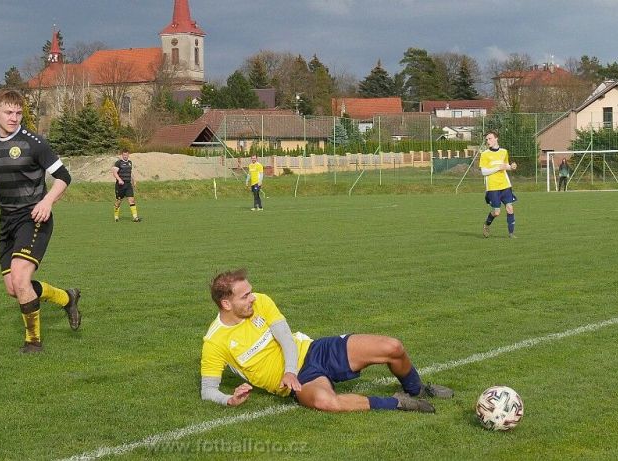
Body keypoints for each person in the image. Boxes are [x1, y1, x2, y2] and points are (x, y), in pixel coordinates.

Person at [200, 269, 453, 413]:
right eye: (245, 296)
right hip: (301, 382)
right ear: (226, 303)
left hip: (314, 350)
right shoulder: (215, 342)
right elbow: (208, 390)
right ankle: (399, 402)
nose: (252, 298)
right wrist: (229, 400)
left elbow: (286, 338)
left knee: (392, 347)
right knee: (326, 402)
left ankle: (416, 388)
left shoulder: (261, 301)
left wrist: (289, 369)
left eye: (251, 292)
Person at [0, 89, 81, 353]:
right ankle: (67, 297)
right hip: (7, 222)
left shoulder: (34, 143)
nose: (14, 118)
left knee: (20, 278)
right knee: (14, 288)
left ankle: (33, 342)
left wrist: (47, 202)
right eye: (8, 112)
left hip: (34, 217)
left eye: (18, 113)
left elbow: (64, 176)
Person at [480, 130, 518, 239]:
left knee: (510, 208)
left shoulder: (504, 152)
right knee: (496, 212)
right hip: (492, 187)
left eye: (490, 138)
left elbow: (506, 166)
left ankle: (511, 233)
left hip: (505, 185)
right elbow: (484, 172)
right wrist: (497, 168)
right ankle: (486, 225)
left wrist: (512, 167)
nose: (488, 141)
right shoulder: (485, 154)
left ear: (496, 138)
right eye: (486, 139)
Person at [112, 149, 141, 222]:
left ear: (128, 155)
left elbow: (130, 173)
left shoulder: (130, 163)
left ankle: (135, 217)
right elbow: (114, 173)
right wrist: (119, 180)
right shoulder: (118, 163)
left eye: (126, 155)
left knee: (131, 200)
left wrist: (134, 181)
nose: (125, 156)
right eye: (124, 155)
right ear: (122, 155)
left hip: (128, 185)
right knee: (119, 201)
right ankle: (116, 216)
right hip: (120, 185)